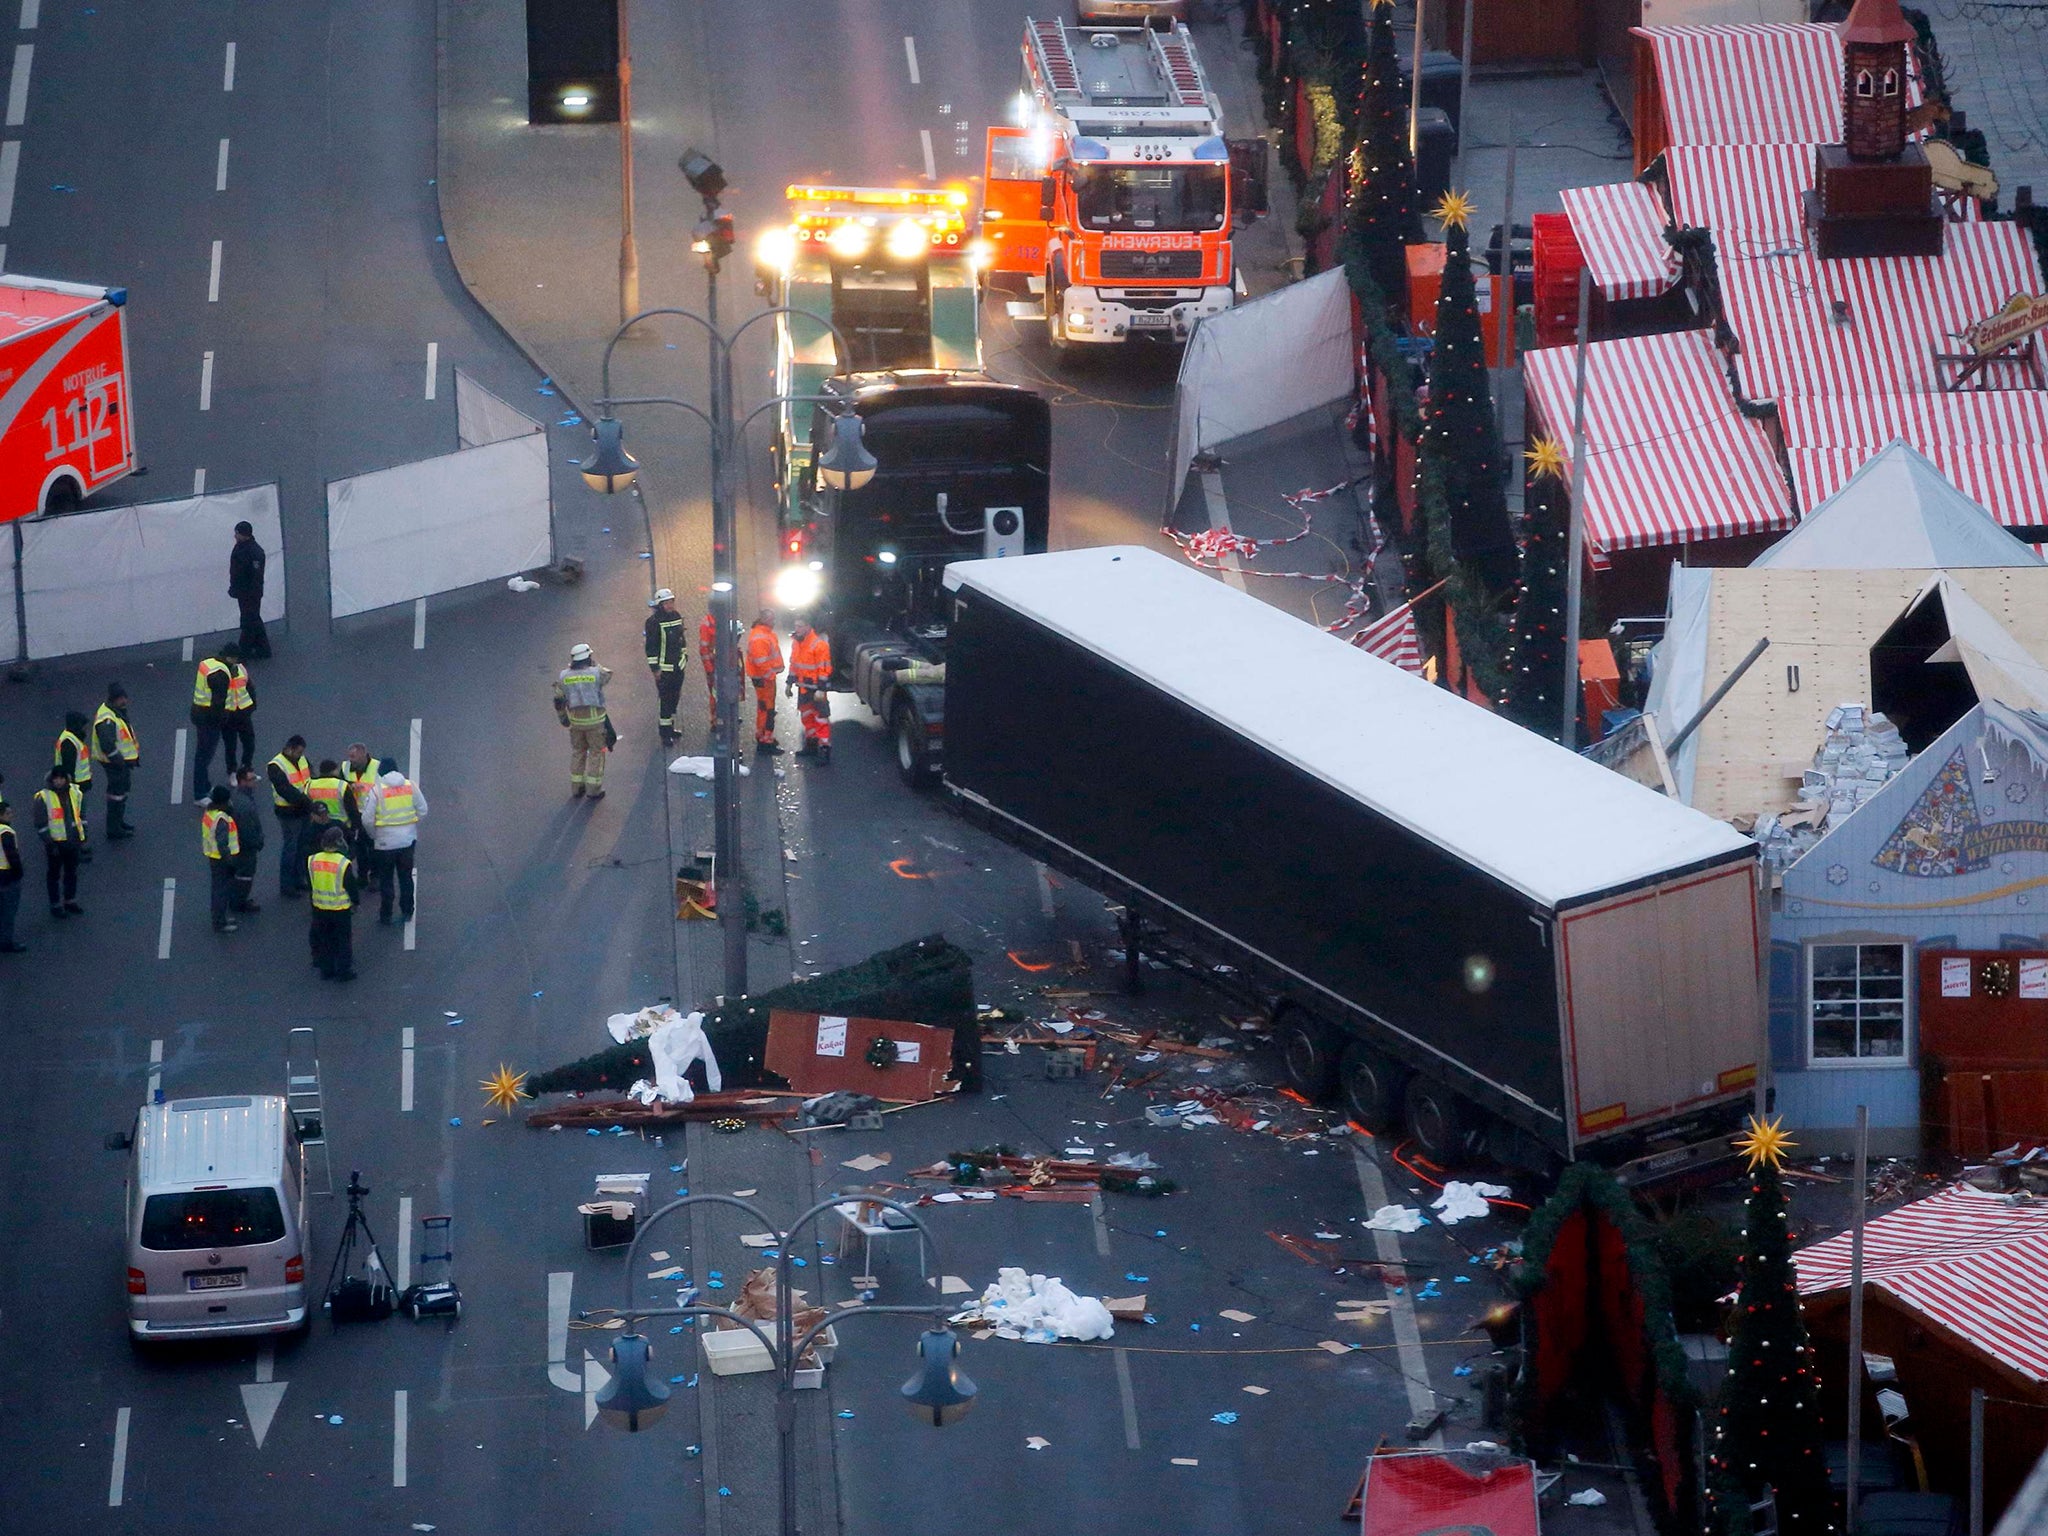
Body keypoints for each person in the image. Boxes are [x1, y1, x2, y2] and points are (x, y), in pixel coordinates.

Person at [364, 760, 426, 926]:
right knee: (406, 878)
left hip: (385, 844)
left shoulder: (376, 791)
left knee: (386, 880)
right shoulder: (410, 786)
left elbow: (367, 819)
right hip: (407, 842)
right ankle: (407, 910)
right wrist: (410, 825)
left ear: (381, 773)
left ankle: (386, 915)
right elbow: (423, 809)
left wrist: (374, 835)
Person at [190, 643, 253, 799]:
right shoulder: (222, 674)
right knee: (204, 757)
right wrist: (222, 720)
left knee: (202, 756)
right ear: (230, 658)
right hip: (209, 720)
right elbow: (219, 703)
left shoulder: (209, 663)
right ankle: (200, 794)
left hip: (199, 713)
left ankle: (204, 787)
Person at [553, 642, 612, 799]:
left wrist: (563, 719)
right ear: (588, 657)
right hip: (595, 723)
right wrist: (595, 664)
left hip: (576, 723)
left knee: (578, 752)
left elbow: (558, 701)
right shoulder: (595, 673)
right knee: (596, 754)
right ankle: (593, 790)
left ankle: (577, 788)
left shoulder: (564, 676)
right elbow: (608, 675)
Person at [306, 826, 361, 981]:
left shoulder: (313, 860)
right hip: (340, 908)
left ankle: (327, 969)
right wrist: (356, 902)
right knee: (343, 940)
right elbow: (351, 885)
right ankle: (344, 971)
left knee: (325, 939)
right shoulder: (342, 863)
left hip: (319, 907)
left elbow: (311, 883)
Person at [31, 768, 85, 917]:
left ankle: (70, 901)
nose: (59, 781)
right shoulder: (43, 797)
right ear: (52, 780)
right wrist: (50, 843)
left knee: (71, 873)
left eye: (61, 778)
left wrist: (82, 836)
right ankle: (55, 905)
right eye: (56, 779)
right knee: (54, 875)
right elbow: (40, 824)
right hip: (55, 844)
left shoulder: (75, 792)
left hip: (72, 842)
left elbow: (81, 815)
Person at [266, 736, 313, 896]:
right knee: (291, 849)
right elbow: (284, 790)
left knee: (302, 846)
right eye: (298, 752)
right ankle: (287, 886)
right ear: (289, 748)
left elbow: (311, 779)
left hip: (304, 810)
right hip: (288, 812)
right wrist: (307, 802)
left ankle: (299, 879)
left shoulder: (302, 760)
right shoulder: (275, 766)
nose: (301, 755)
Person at [92, 684, 140, 839]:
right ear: (114, 700)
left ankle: (118, 822)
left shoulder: (113, 712)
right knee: (117, 794)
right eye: (121, 699)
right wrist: (119, 761)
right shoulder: (107, 719)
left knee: (122, 791)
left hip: (119, 762)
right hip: (114, 763)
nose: (125, 701)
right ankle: (114, 828)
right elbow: (107, 745)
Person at [645, 588, 688, 747]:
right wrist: (655, 668)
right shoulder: (653, 622)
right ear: (659, 605)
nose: (670, 605)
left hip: (678, 666)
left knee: (675, 697)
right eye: (666, 603)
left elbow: (681, 639)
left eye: (671, 602)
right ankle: (665, 734)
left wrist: (684, 656)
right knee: (665, 700)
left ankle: (670, 727)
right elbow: (651, 647)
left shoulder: (676, 617)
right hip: (664, 670)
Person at [788, 618, 833, 762]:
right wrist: (789, 683)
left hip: (815, 690)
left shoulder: (819, 645)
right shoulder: (796, 643)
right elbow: (793, 664)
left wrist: (821, 688)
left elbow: (824, 668)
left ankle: (824, 750)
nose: (797, 629)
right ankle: (811, 745)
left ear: (808, 626)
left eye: (800, 626)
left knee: (820, 719)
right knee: (807, 717)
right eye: (795, 626)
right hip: (803, 688)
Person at [54, 711, 96, 859]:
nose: (85, 728)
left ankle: (80, 845)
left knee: (78, 817)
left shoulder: (72, 739)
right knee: (74, 819)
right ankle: (75, 850)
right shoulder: (69, 743)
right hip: (74, 787)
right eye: (83, 725)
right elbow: (68, 769)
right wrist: (70, 789)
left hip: (78, 786)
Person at [201, 786, 242, 932]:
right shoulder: (221, 818)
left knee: (217, 888)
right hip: (221, 859)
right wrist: (230, 861)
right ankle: (219, 922)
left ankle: (220, 916)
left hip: (213, 856)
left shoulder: (210, 812)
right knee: (221, 890)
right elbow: (222, 843)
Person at [229, 520, 271, 658]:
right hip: (245, 591)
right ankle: (262, 648)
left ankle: (244, 650)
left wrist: (243, 590)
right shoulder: (245, 548)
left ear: (243, 534)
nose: (235, 536)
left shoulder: (253, 552)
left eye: (237, 533)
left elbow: (254, 576)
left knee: (248, 620)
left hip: (249, 593)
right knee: (253, 619)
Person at [745, 610, 785, 753]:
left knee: (765, 708)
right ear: (765, 620)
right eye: (771, 619)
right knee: (767, 709)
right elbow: (761, 662)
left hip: (764, 678)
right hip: (764, 679)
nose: (774, 621)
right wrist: (770, 675)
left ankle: (763, 735)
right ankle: (765, 741)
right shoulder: (760, 637)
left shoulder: (764, 633)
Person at [228, 767, 267, 916]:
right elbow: (247, 831)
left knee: (240, 873)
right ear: (242, 781)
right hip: (246, 848)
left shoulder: (238, 797)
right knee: (245, 875)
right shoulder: (244, 804)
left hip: (240, 846)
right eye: (251, 780)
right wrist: (257, 842)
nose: (255, 782)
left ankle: (237, 900)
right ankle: (239, 903)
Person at [0, 798, 25, 952]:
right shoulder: (6, 832)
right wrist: (19, 873)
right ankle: (6, 942)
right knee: (8, 911)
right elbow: (12, 855)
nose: (11, 815)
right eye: (8, 813)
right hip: (6, 876)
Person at [697, 609, 719, 709]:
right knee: (715, 691)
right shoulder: (707, 624)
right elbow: (704, 649)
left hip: (723, 662)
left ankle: (728, 712)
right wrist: (709, 668)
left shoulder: (724, 618)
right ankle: (715, 718)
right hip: (713, 663)